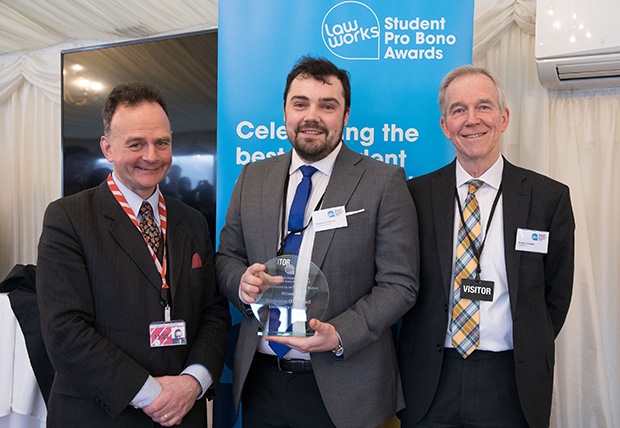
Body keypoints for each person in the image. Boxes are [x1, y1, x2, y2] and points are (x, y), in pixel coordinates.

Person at [216, 56, 419, 428]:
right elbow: (227, 257)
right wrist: (241, 282)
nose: (312, 116)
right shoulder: (252, 177)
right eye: (300, 103)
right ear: (285, 111)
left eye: (327, 105)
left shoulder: (383, 181)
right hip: (262, 379)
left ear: (345, 116)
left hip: (346, 386)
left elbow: (400, 284)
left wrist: (340, 333)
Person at [36, 82, 231, 428]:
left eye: (161, 143)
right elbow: (64, 330)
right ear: (107, 148)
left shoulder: (192, 220)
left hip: (184, 412)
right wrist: (151, 394)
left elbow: (213, 311)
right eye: (136, 144)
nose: (151, 156)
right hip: (102, 414)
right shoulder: (68, 218)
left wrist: (193, 382)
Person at [397, 65, 575, 428]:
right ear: (445, 125)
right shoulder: (413, 197)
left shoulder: (548, 198)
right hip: (431, 377)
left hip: (511, 378)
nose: (472, 119)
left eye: (484, 106)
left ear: (504, 117)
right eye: (458, 110)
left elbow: (556, 294)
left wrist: (527, 342)